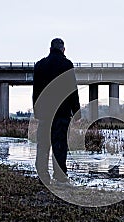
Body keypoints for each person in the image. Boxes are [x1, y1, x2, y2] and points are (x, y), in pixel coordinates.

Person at [33, 38, 81, 184]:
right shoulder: (67, 65)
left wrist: (36, 111)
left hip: (45, 114)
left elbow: (36, 91)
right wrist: (77, 111)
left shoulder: (40, 65)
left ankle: (43, 176)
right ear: (63, 49)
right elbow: (73, 89)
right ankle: (60, 176)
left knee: (43, 145)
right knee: (59, 145)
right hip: (62, 112)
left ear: (50, 49)